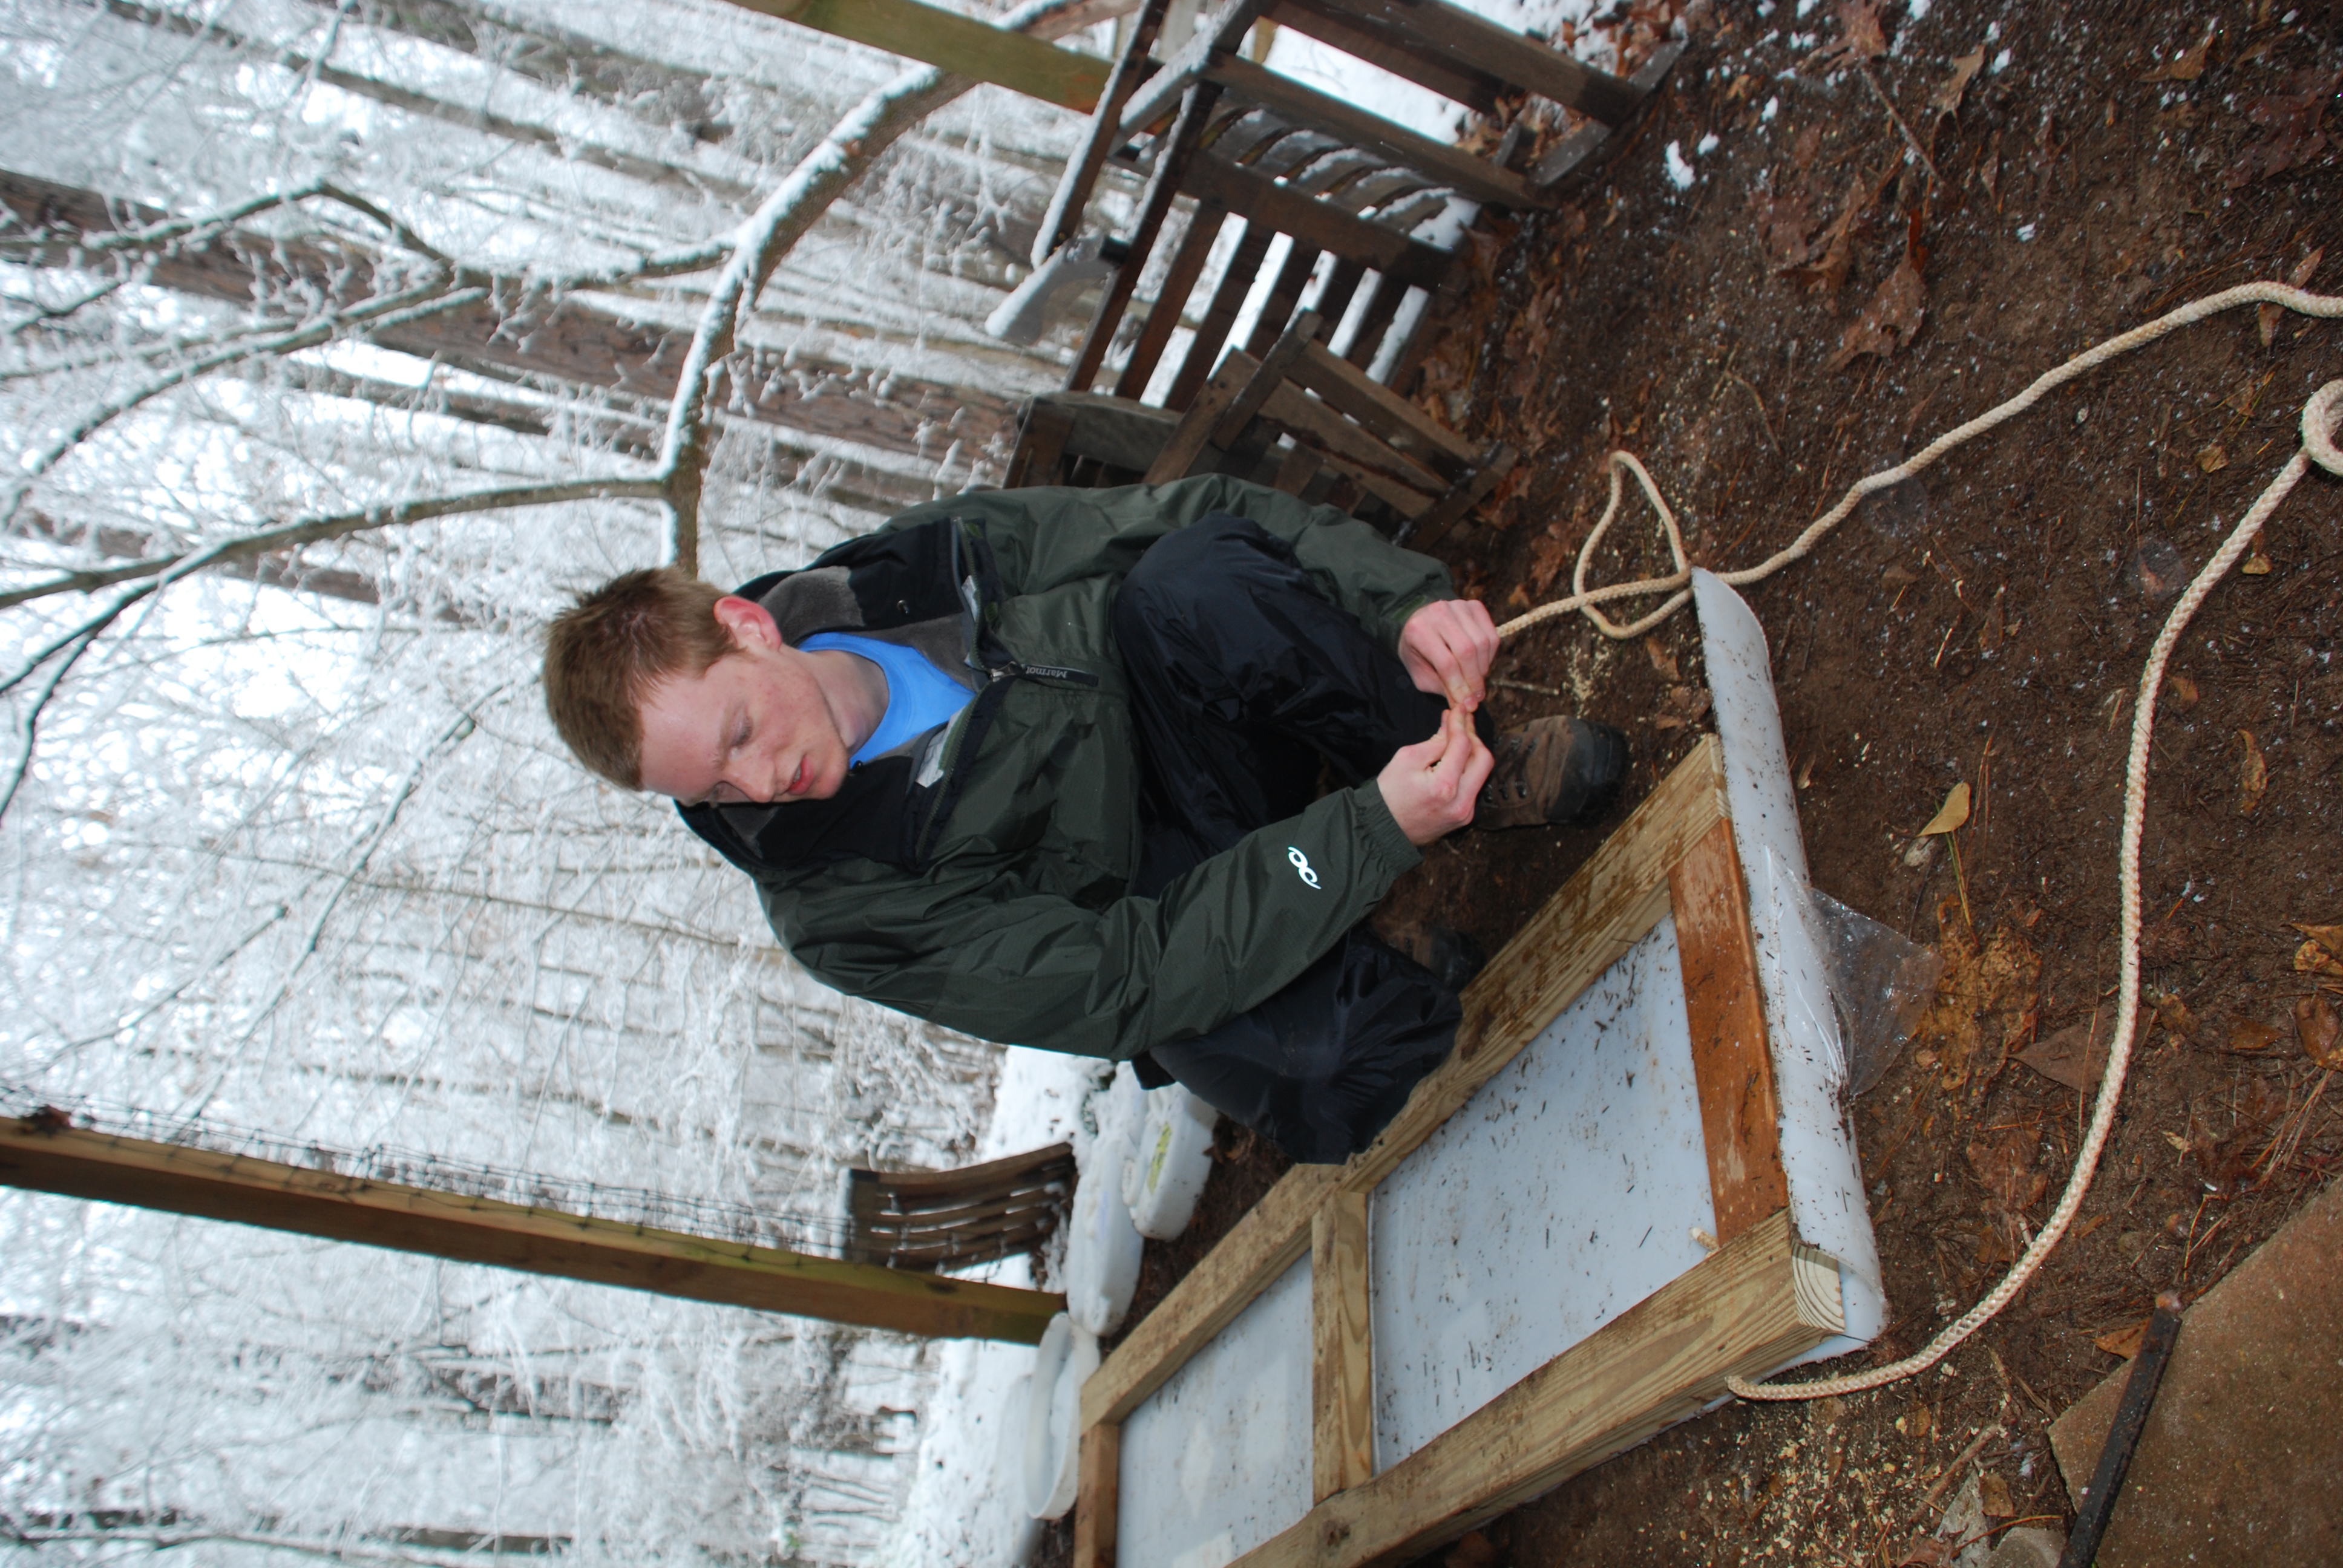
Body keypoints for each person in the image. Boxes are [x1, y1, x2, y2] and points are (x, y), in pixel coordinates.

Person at [542, 475, 1624, 1161]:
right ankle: (1369, 937)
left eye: (737, 736)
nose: (758, 784)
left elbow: (1195, 511)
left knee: (1192, 580)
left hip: (1226, 738)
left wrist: (1398, 605)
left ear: (747, 627)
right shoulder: (835, 912)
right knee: (1333, 1067)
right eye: (713, 792)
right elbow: (1127, 979)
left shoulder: (922, 568)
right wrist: (1362, 837)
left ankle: (1466, 765)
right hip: (1159, 915)